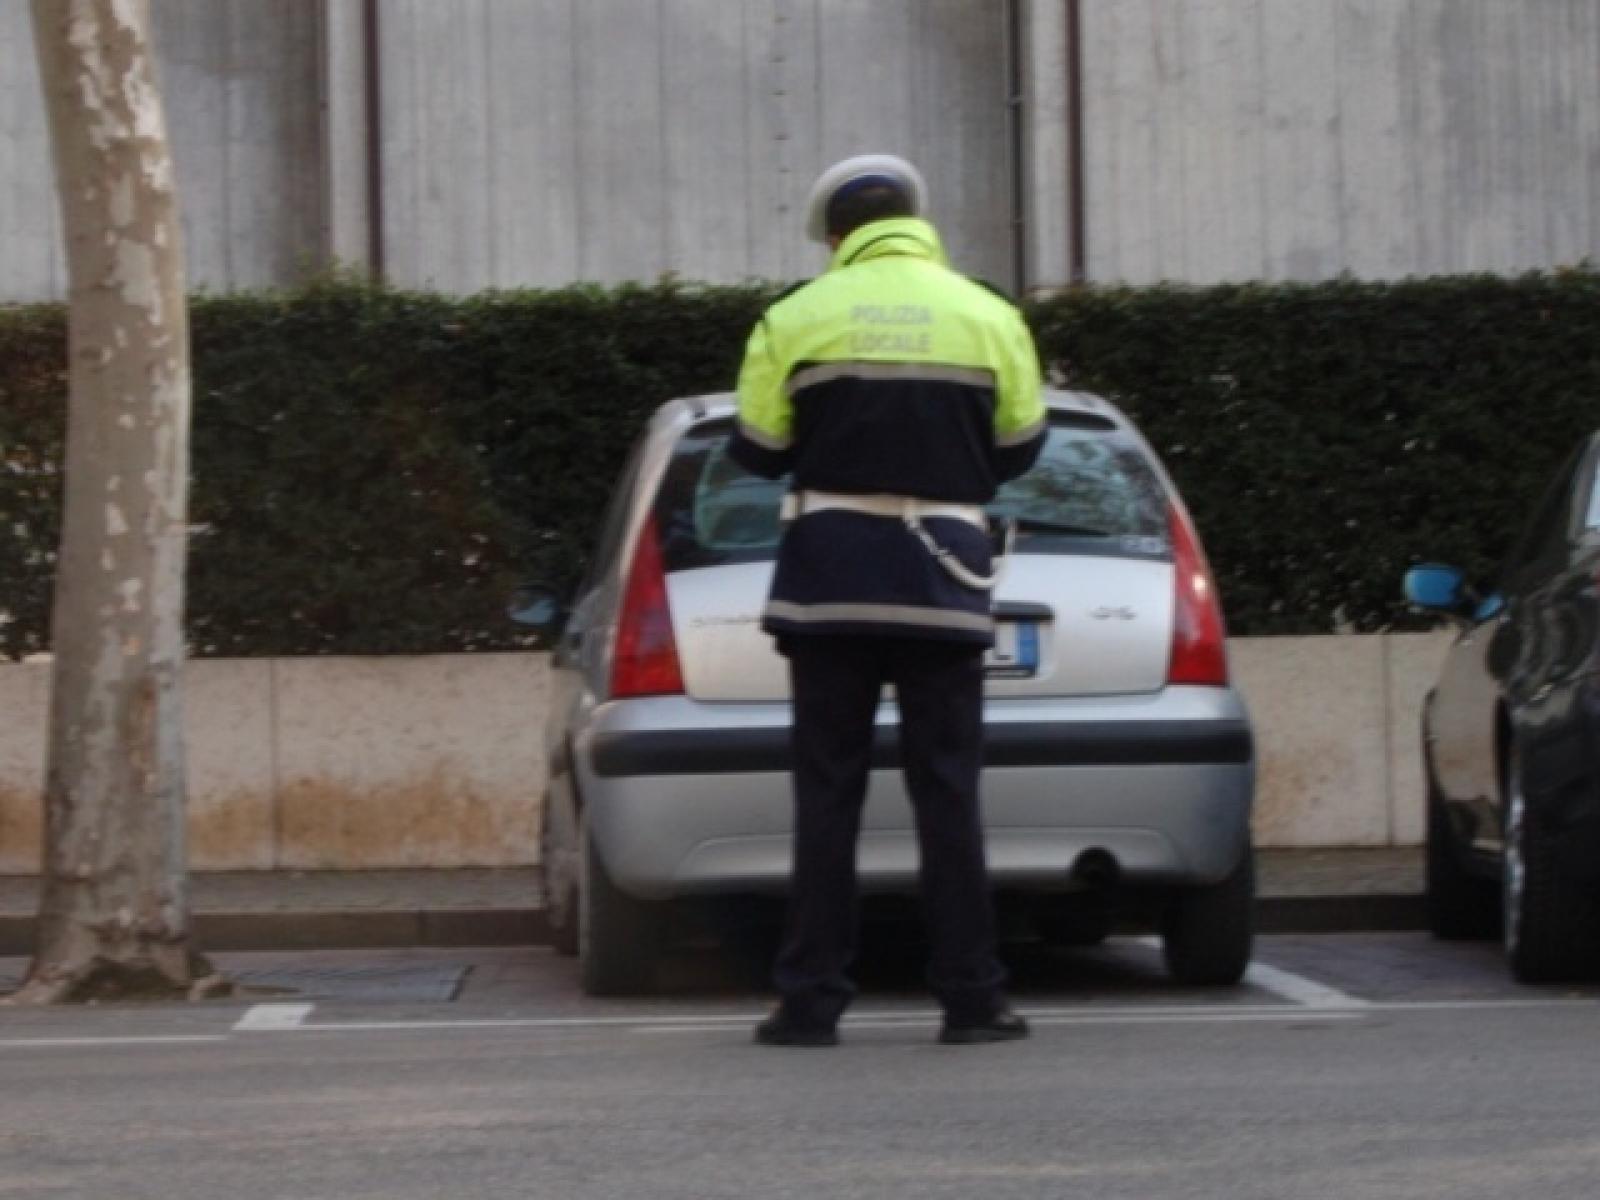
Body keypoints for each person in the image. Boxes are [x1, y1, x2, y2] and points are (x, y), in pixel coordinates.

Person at [728, 154, 1047, 1047]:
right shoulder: (989, 315)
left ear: (837, 237)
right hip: (946, 569)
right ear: (916, 221)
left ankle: (810, 1002)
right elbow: (1021, 447)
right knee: (948, 790)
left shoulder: (795, 315)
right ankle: (973, 1000)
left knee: (826, 794)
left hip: (829, 573)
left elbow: (756, 446)